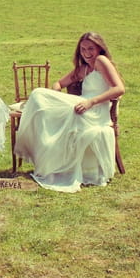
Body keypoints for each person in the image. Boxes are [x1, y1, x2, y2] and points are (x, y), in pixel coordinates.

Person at [15, 32, 125, 193]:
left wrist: (91, 102)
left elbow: (119, 88)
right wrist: (57, 95)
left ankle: (30, 116)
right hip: (81, 104)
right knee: (39, 95)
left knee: (38, 95)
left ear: (99, 48)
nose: (87, 53)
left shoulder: (102, 61)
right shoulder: (84, 69)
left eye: (91, 48)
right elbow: (59, 83)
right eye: (83, 49)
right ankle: (49, 160)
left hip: (96, 109)